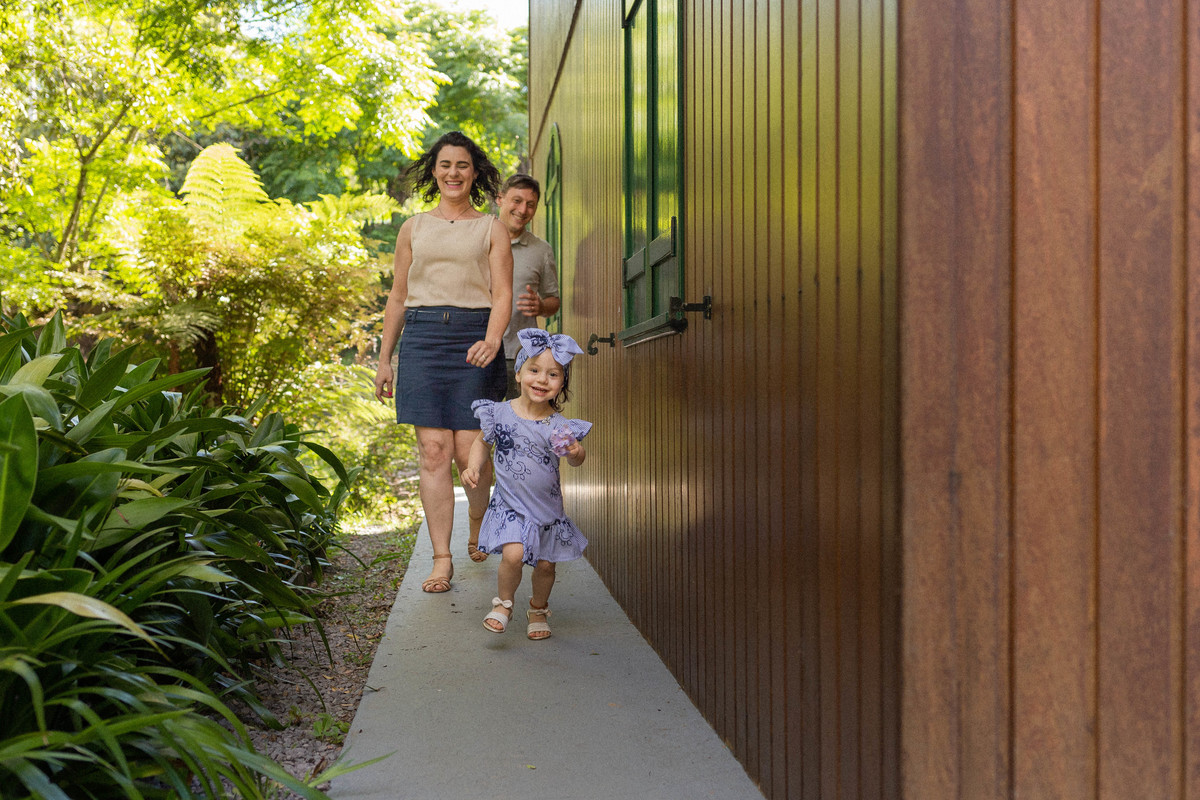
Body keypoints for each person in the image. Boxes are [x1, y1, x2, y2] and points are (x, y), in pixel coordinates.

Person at [374, 130, 513, 593]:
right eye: (446, 164)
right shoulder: (413, 228)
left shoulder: (490, 228)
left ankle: (478, 520)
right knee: (433, 450)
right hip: (423, 339)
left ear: (474, 173)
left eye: (462, 165)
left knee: (470, 454)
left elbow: (503, 294)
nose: (454, 173)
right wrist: (385, 359)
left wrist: (492, 339)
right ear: (434, 171)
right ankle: (441, 559)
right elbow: (398, 296)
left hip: (475, 340)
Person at [460, 330, 591, 640]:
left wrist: (575, 452)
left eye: (553, 374)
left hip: (547, 510)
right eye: (534, 370)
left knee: (546, 566)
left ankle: (538, 608)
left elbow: (576, 460)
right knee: (513, 555)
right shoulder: (500, 413)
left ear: (561, 383)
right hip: (510, 505)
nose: (542, 379)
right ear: (518, 373)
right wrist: (473, 466)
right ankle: (503, 604)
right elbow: (482, 442)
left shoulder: (559, 426)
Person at [495, 174, 561, 401]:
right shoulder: (478, 240)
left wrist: (541, 306)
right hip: (477, 352)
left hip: (520, 355)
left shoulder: (541, 250)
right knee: (477, 421)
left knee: (521, 421)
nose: (523, 210)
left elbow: (553, 301)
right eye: (517, 201)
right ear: (500, 199)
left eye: (530, 204)